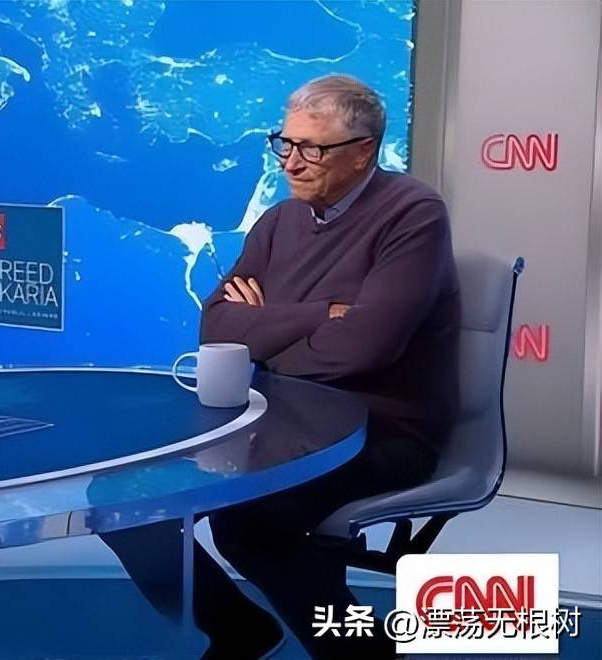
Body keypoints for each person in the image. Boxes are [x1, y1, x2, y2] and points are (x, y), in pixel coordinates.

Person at [101, 74, 459, 659]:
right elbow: (218, 329)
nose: (291, 162)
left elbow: (363, 349)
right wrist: (321, 314)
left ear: (364, 151)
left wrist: (265, 332)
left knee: (250, 522)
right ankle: (237, 628)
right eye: (285, 144)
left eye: (311, 149)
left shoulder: (413, 214)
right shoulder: (279, 221)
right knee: (122, 501)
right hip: (274, 421)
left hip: (379, 431)